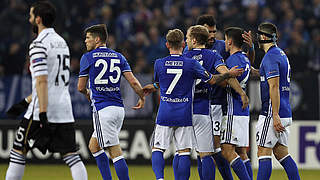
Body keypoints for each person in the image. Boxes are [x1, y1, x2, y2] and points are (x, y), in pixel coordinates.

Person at [143, 29, 244, 180]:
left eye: (189, 37)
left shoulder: (172, 59)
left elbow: (163, 80)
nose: (188, 41)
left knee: (177, 151)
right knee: (206, 154)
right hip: (202, 109)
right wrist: (239, 89)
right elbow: (215, 78)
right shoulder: (207, 57)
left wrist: (155, 86)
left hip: (182, 110)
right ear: (182, 43)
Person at [5, 1, 88, 180]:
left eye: (31, 16)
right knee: (72, 157)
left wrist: (42, 114)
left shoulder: (38, 45)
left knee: (18, 153)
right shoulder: (62, 42)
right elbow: (51, 82)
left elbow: (42, 81)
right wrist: (23, 103)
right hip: (64, 110)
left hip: (41, 110)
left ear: (38, 19)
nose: (29, 19)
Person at [184, 14, 254, 180]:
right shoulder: (189, 51)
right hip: (206, 103)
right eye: (208, 32)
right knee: (210, 150)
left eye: (214, 31)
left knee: (226, 150)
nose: (211, 35)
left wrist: (250, 49)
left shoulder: (222, 46)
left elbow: (245, 66)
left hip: (221, 104)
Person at [77, 24, 145, 180]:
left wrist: (89, 94)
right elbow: (133, 82)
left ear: (98, 39)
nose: (85, 41)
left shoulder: (87, 57)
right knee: (94, 146)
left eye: (88, 38)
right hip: (118, 110)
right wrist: (142, 96)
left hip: (103, 111)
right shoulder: (119, 57)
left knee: (115, 152)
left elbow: (80, 87)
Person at [254, 22, 300, 180]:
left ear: (264, 37)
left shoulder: (270, 57)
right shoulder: (280, 54)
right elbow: (262, 74)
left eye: (259, 35)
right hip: (285, 111)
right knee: (281, 153)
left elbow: (274, 86)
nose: (257, 39)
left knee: (262, 151)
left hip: (272, 113)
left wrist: (274, 114)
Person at [220, 27, 252, 180]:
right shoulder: (245, 58)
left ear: (230, 41)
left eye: (226, 39)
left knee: (226, 150)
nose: (225, 43)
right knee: (241, 152)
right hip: (243, 112)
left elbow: (229, 80)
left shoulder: (231, 60)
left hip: (233, 109)